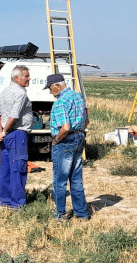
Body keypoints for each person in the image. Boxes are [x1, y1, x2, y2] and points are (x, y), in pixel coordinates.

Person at [45, 73, 89, 221]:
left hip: (65, 141)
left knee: (60, 180)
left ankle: (60, 213)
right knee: (76, 179)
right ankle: (82, 213)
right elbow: (86, 120)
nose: (50, 92)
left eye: (51, 88)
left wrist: (56, 140)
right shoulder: (78, 97)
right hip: (79, 137)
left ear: (58, 85)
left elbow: (65, 127)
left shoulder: (61, 102)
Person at [0, 65, 33, 209]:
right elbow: (14, 116)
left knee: (6, 168)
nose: (29, 78)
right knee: (18, 168)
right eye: (26, 76)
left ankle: (5, 200)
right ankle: (17, 203)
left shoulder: (5, 91)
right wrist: (3, 132)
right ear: (17, 78)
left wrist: (0, 131)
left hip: (6, 134)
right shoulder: (21, 94)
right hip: (17, 134)